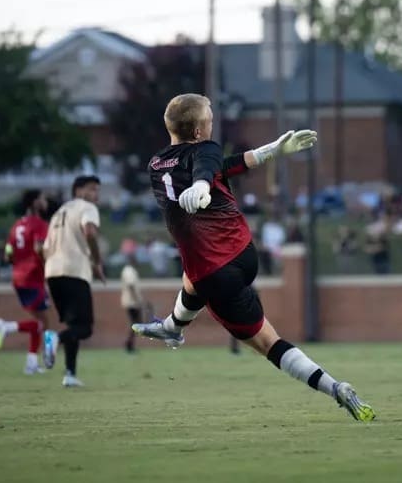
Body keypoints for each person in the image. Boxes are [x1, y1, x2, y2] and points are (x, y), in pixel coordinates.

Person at [131, 93, 374, 422]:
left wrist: (207, 184)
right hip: (243, 254)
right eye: (210, 119)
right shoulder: (207, 150)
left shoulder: (156, 164)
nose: (213, 123)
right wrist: (267, 152)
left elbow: (210, 169)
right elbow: (212, 166)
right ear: (201, 131)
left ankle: (336, 388)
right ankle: (172, 327)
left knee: (267, 343)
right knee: (192, 278)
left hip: (216, 275)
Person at [43, 175, 106, 388]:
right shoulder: (87, 208)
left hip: (52, 272)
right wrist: (96, 261)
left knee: (73, 325)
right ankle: (54, 339)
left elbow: (43, 249)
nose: (95, 194)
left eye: (97, 190)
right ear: (78, 191)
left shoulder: (58, 213)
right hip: (75, 271)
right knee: (85, 328)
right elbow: (89, 232)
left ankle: (70, 373)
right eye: (91, 189)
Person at [0, 190, 55, 375]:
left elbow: (7, 254)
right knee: (42, 323)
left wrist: (19, 263)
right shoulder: (40, 224)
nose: (45, 202)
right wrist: (48, 266)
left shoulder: (17, 225)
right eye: (43, 198)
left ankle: (31, 363)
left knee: (40, 321)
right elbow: (39, 248)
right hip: (32, 277)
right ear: (35, 203)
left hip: (18, 278)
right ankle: (6, 326)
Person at [121, 252, 152, 353]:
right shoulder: (129, 271)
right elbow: (131, 285)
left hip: (131, 301)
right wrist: (137, 300)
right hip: (132, 302)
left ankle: (129, 343)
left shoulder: (129, 270)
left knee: (135, 323)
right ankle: (129, 344)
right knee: (136, 323)